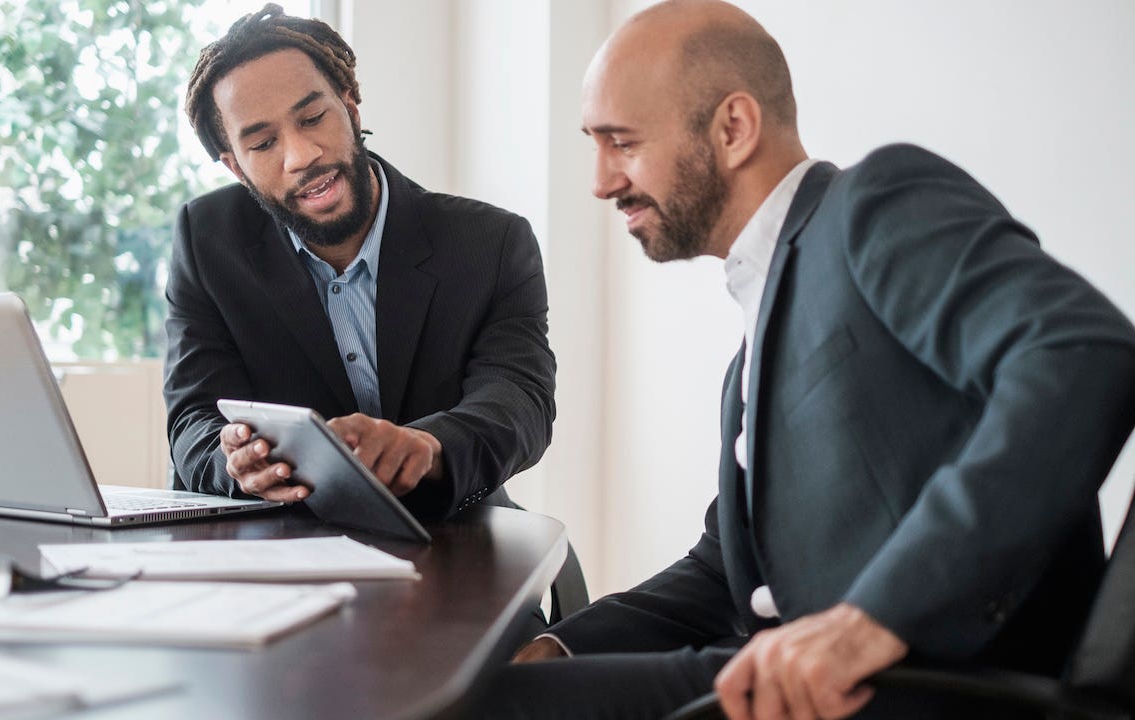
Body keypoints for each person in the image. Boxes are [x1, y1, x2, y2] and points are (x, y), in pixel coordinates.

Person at [467, 1, 1135, 718]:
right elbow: (725, 568)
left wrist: (874, 618)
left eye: (621, 142)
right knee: (490, 690)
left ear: (733, 128)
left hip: (920, 687)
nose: (601, 181)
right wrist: (563, 647)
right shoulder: (754, 342)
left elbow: (1080, 351)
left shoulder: (872, 206)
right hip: (773, 671)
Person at [165, 6, 559, 535]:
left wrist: (428, 445)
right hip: (276, 546)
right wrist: (236, 465)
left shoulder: (490, 244)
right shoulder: (206, 239)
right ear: (235, 165)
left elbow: (519, 402)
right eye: (263, 143)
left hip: (448, 541)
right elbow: (192, 419)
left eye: (312, 118)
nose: (302, 155)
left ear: (349, 107)